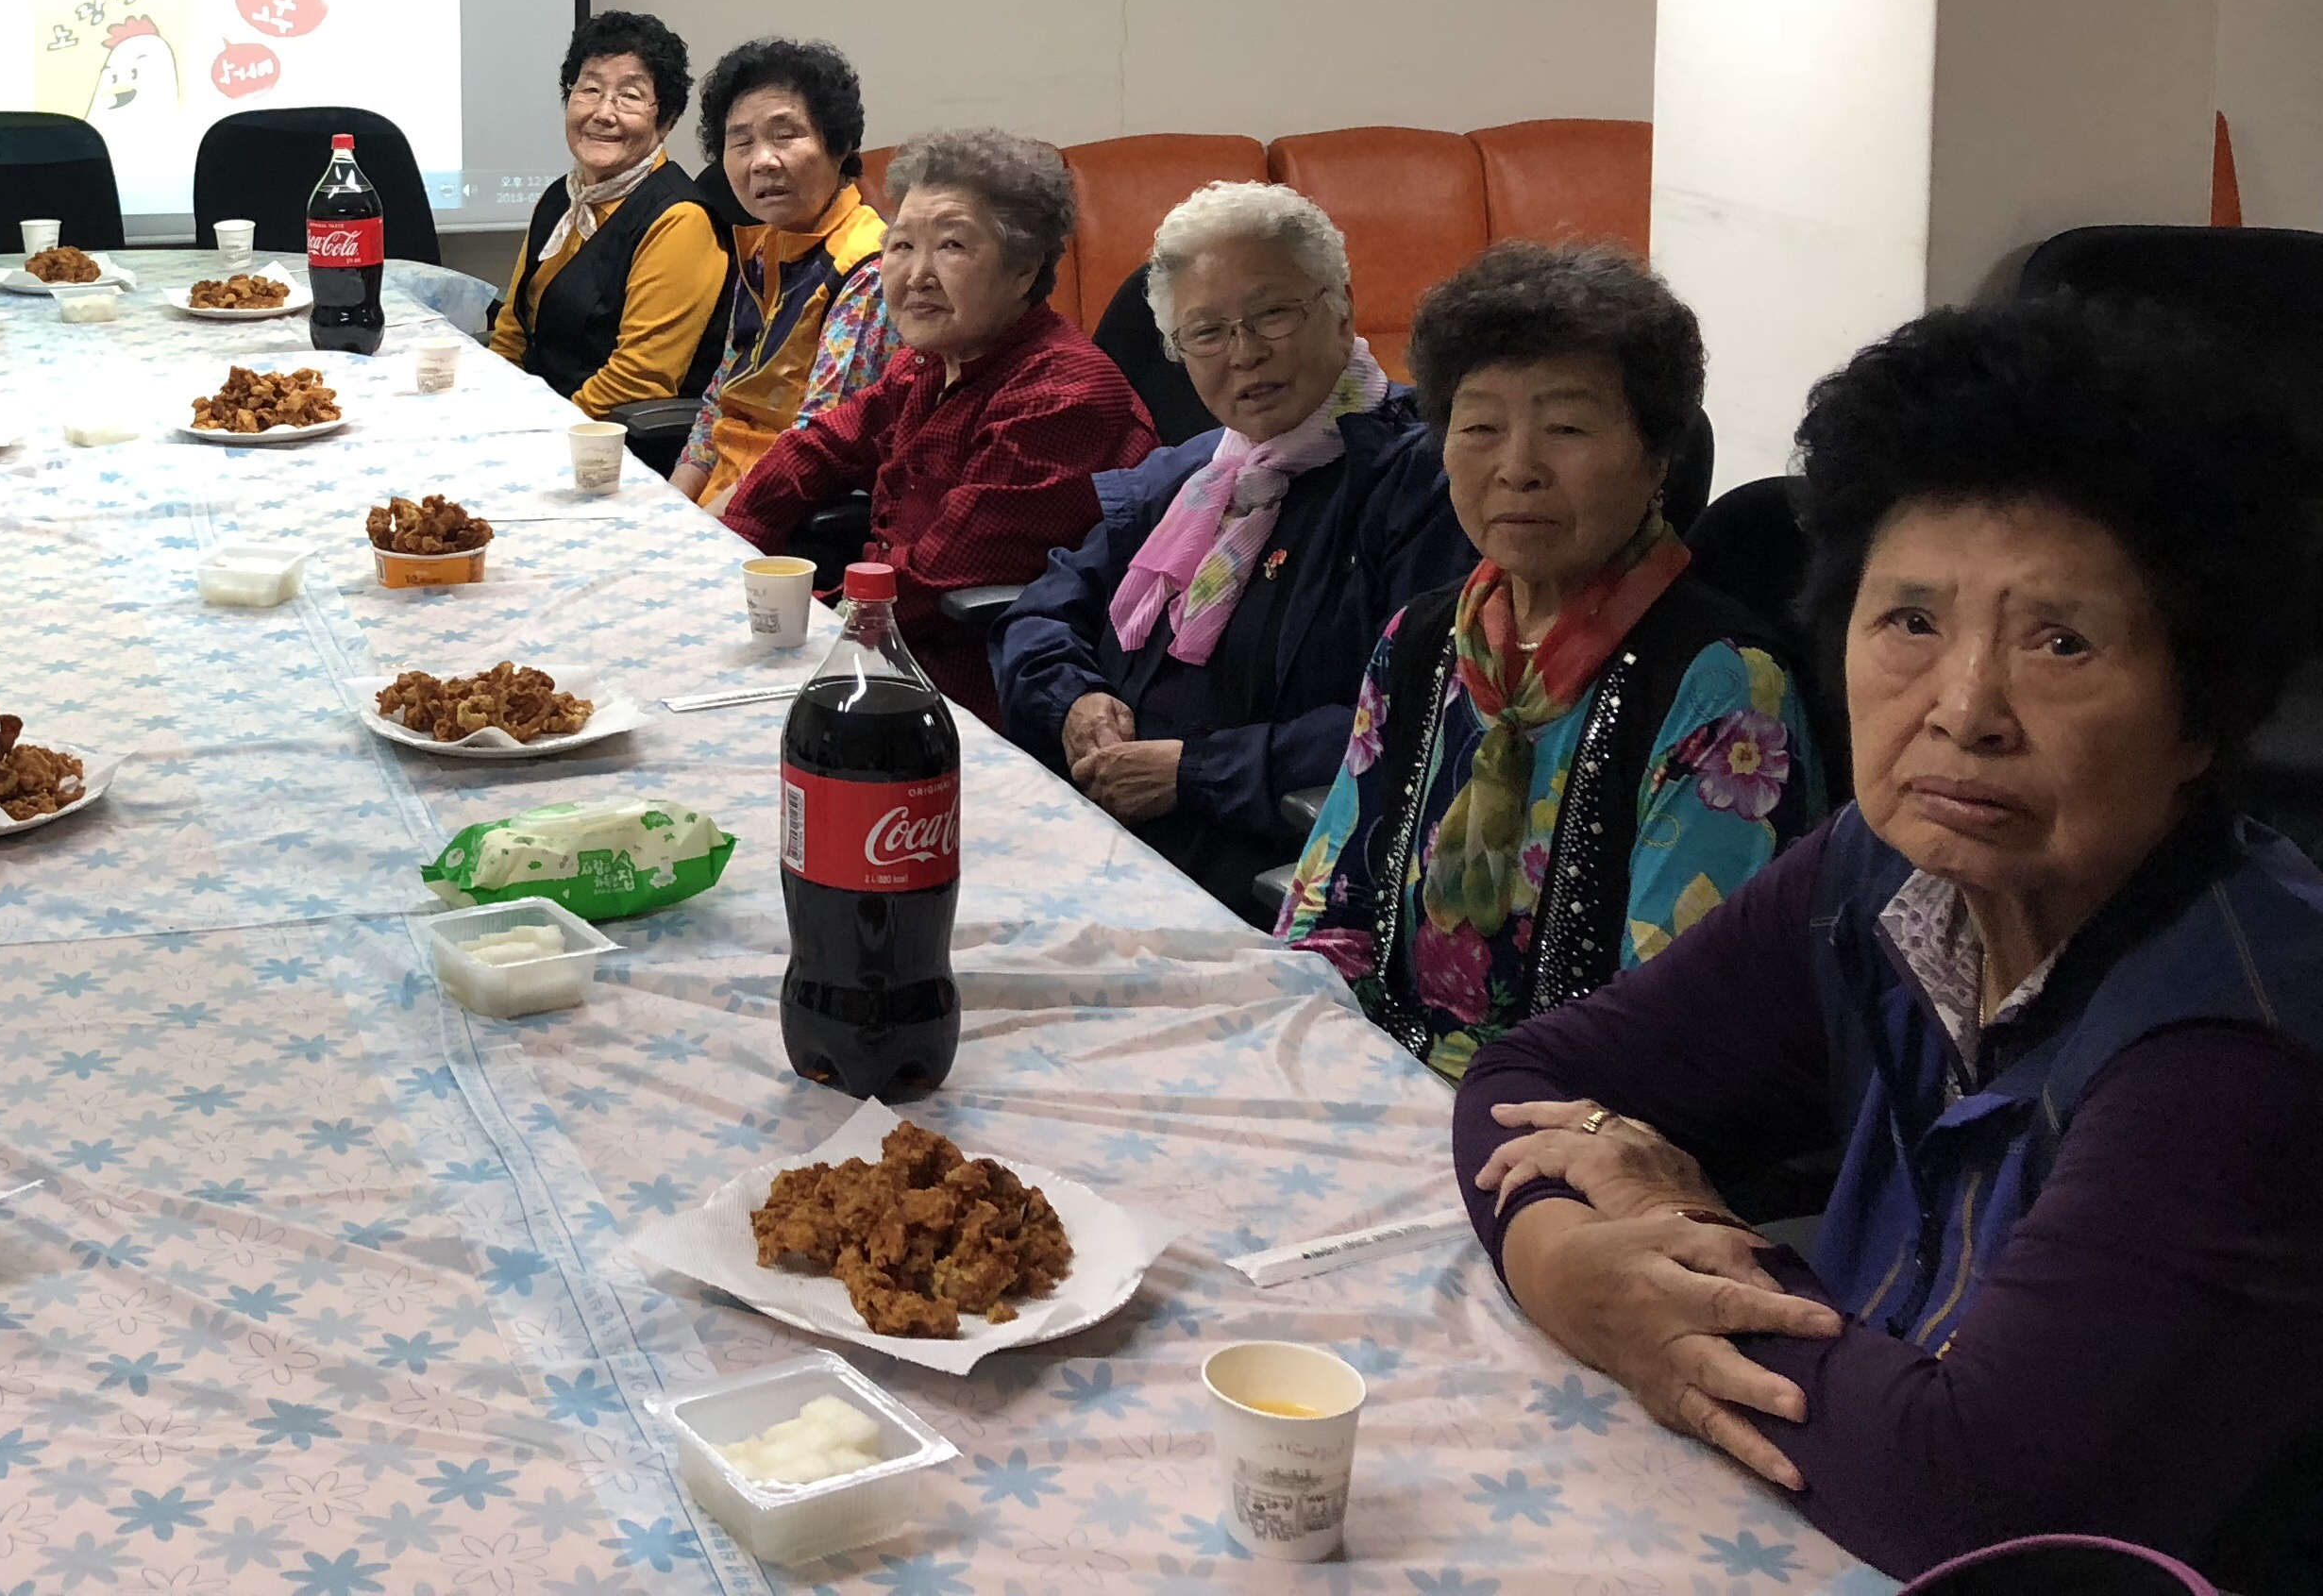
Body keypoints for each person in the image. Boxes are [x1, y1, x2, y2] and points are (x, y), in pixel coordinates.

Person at [1453, 299, 2323, 1585]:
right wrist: (1564, 1258)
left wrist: (1657, 1259)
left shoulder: (2238, 1046)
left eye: (2061, 641)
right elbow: (1528, 1073)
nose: (1964, 710)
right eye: (1911, 621)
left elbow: (1961, 1492)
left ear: (2204, 712)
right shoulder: (1879, 866)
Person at [1282, 240, 1820, 1080]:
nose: (1518, 469)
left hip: (1572, 1114)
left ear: (1657, 457)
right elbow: (1328, 903)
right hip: (1381, 1074)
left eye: (1566, 429)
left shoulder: (1721, 688)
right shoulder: (1422, 640)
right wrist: (1314, 1048)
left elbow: (1676, 1021)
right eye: (1480, 428)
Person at [992, 182, 1474, 905]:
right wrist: (1076, 704)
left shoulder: (1425, 480)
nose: (1244, 354)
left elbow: (1422, 715)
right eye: (1207, 332)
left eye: (1272, 314)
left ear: (1342, 308)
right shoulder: (1195, 475)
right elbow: (1038, 613)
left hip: (1261, 863)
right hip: (1103, 828)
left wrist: (1193, 773)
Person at [721, 130, 1157, 714]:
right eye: (901, 245)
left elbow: (936, 582)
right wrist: (733, 557)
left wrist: (806, 621)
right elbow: (817, 448)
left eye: (952, 245)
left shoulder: (1061, 397)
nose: (916, 275)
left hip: (967, 688)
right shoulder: (931, 362)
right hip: (883, 646)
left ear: (1023, 269)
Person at [670, 38, 891, 513]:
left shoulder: (867, 267)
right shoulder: (763, 248)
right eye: (741, 142)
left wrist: (700, 530)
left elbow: (815, 445)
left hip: (781, 516)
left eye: (785, 136)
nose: (761, 161)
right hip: (718, 500)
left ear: (839, 145)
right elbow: (719, 401)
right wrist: (671, 509)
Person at [490, 10, 732, 415]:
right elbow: (512, 331)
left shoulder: (680, 220)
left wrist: (540, 431)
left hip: (600, 436)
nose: (603, 113)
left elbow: (636, 382)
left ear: (666, 121)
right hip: (536, 415)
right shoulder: (561, 196)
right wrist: (491, 404)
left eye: (630, 96)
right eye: (590, 89)